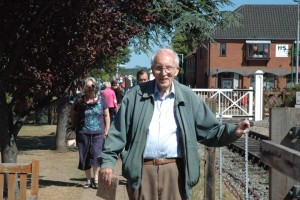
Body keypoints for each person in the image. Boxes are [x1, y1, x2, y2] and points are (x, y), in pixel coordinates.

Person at [99, 48, 250, 199]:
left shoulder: (188, 97)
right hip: (142, 171)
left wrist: (234, 131)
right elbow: (118, 132)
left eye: (168, 68)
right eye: (158, 68)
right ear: (152, 70)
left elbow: (211, 130)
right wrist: (107, 162)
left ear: (176, 70)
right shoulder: (135, 96)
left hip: (175, 172)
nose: (163, 73)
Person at [69, 77, 110, 189]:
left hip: (98, 133)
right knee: (84, 156)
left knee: (96, 155)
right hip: (83, 132)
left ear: (95, 86)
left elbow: (106, 115)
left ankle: (95, 179)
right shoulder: (80, 100)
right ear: (84, 88)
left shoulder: (101, 100)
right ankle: (88, 180)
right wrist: (73, 125)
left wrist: (107, 130)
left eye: (92, 86)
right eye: (87, 86)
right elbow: (72, 112)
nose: (90, 88)